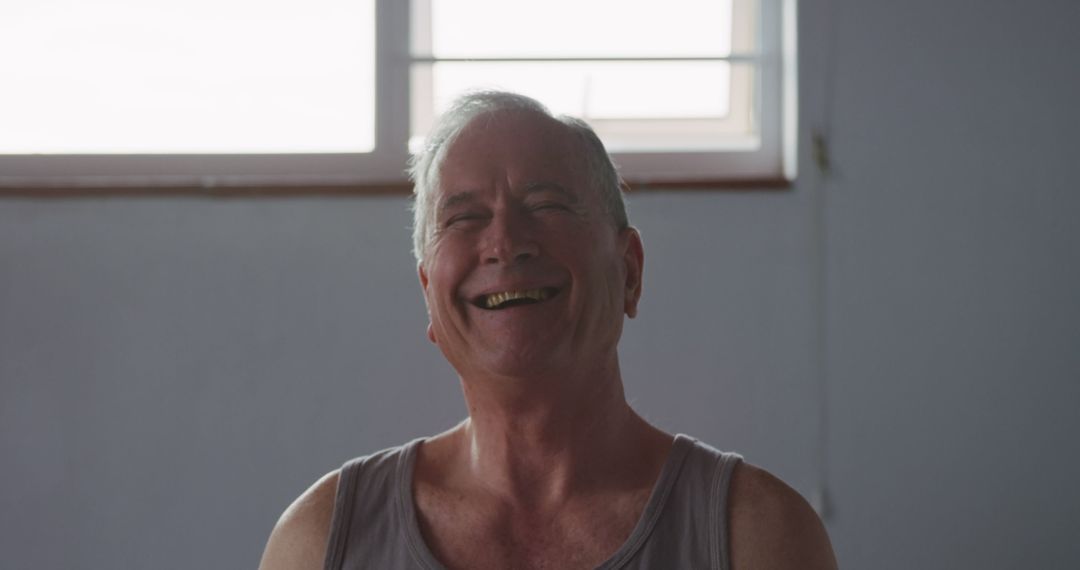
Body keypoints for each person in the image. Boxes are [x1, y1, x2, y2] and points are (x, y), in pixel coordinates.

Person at [259, 91, 837, 570]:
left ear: (629, 271)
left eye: (547, 204)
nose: (505, 240)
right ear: (429, 297)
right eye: (463, 218)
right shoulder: (323, 540)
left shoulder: (756, 537)